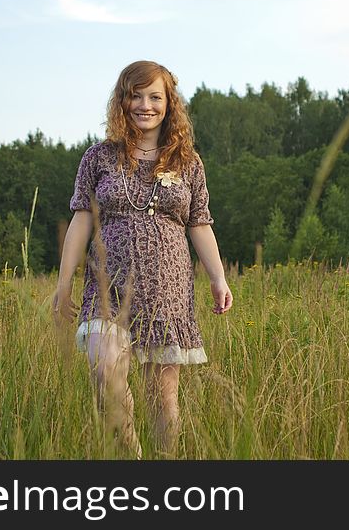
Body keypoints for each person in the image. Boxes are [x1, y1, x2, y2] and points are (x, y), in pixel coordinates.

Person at [53, 60, 233, 458]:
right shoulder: (98, 158)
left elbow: (199, 224)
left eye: (155, 96)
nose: (145, 105)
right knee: (105, 375)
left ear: (170, 103)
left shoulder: (187, 162)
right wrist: (63, 283)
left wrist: (218, 278)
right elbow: (81, 220)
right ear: (122, 100)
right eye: (136, 95)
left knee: (164, 402)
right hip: (108, 290)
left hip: (166, 293)